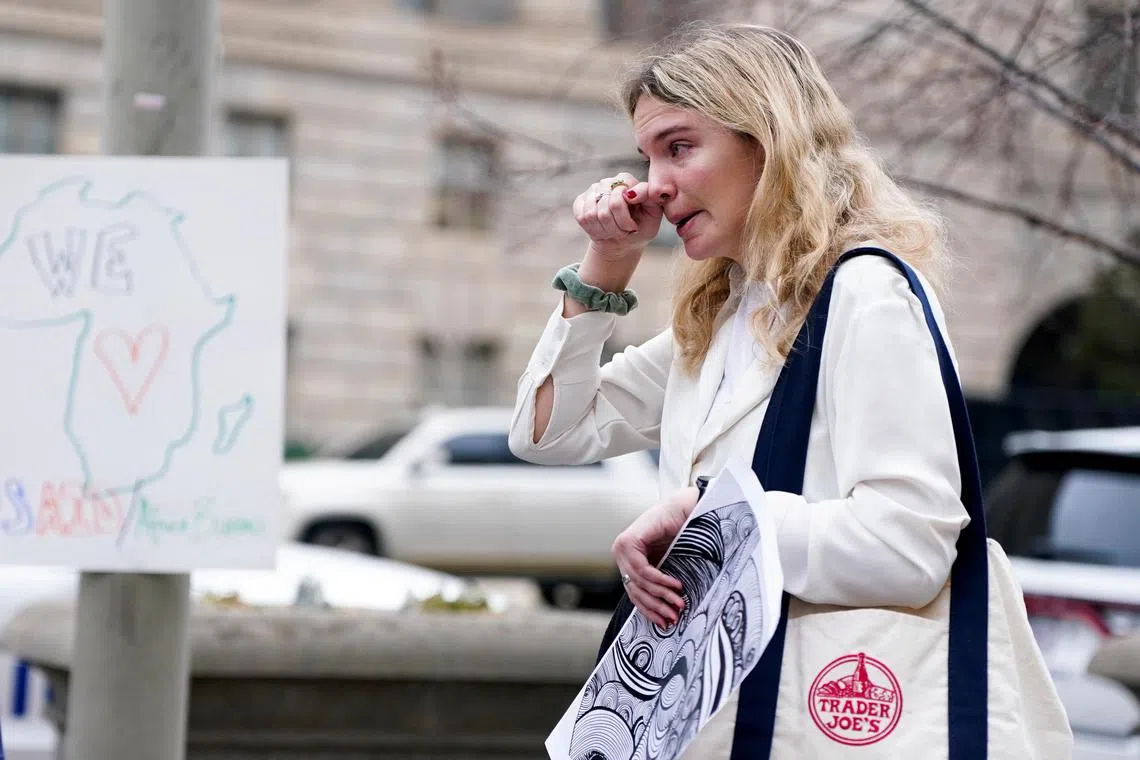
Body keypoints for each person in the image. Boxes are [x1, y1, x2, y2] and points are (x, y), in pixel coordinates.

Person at [507, 21, 1068, 758]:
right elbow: (547, 432)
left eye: (679, 147)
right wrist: (606, 260)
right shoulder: (721, 317)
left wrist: (715, 522)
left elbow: (912, 542)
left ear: (766, 139)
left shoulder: (865, 292)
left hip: (825, 722)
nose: (654, 183)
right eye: (646, 155)